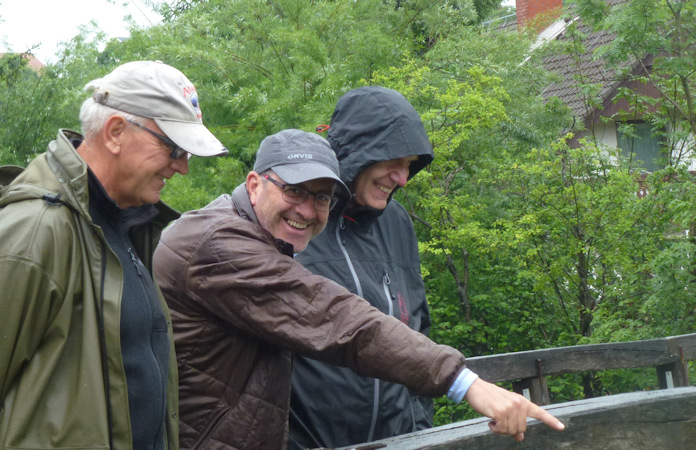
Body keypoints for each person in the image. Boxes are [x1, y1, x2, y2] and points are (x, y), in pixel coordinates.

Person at [153, 129, 564, 449]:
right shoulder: (218, 244)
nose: (307, 210)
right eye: (294, 190)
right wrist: (465, 383)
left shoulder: (250, 234)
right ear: (255, 183)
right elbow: (335, 318)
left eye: (322, 198)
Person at [0, 60, 228, 450]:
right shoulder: (34, 231)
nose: (182, 167)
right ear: (116, 132)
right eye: (174, 148)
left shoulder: (128, 226)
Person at [288, 86, 439, 448]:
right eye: (394, 161)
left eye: (409, 165)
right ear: (358, 152)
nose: (402, 178)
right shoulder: (293, 220)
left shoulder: (397, 223)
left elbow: (417, 331)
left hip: (398, 442)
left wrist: (419, 432)